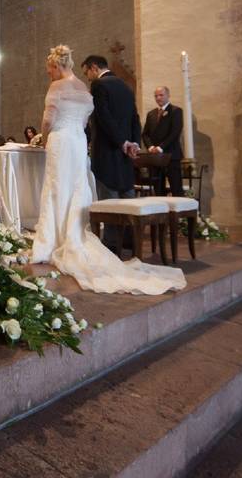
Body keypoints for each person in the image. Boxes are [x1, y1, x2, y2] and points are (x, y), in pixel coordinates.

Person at [31, 45, 185, 295]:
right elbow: (133, 117)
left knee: (78, 190)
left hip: (77, 144)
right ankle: (114, 240)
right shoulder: (118, 86)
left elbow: (94, 119)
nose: (49, 74)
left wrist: (44, 137)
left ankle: (102, 242)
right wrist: (132, 142)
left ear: (58, 66)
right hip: (84, 143)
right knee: (88, 189)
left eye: (50, 69)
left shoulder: (90, 87)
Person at [80, 54, 142, 253]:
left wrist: (121, 142)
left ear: (94, 67)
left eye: (87, 72)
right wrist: (134, 143)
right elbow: (135, 118)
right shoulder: (125, 86)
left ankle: (111, 245)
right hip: (126, 155)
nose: (88, 77)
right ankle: (132, 242)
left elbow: (103, 117)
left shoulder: (99, 85)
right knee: (127, 199)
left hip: (107, 152)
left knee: (109, 200)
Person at [142, 86, 184, 195]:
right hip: (156, 158)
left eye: (161, 95)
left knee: (176, 189)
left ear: (168, 95)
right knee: (158, 190)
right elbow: (145, 134)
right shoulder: (151, 114)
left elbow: (175, 133)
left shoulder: (176, 111)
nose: (158, 98)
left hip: (171, 156)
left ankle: (178, 212)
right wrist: (151, 147)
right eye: (156, 96)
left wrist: (160, 147)